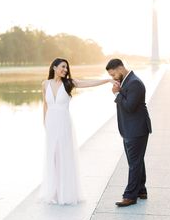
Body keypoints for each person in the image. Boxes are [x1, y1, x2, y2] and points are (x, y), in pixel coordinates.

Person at [38, 58, 115, 205]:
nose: (65, 70)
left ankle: (65, 193)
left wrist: (106, 81)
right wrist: (45, 124)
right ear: (54, 67)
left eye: (66, 68)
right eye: (62, 67)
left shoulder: (69, 83)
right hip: (51, 125)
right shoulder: (45, 84)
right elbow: (45, 105)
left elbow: (88, 83)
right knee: (52, 157)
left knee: (64, 156)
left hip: (64, 124)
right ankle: (53, 191)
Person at [106, 58, 152, 207]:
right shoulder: (127, 81)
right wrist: (119, 91)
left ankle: (130, 196)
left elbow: (130, 107)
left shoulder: (134, 83)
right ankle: (141, 190)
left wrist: (116, 94)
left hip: (136, 129)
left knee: (134, 163)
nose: (113, 78)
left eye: (113, 74)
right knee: (137, 161)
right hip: (131, 128)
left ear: (120, 69)